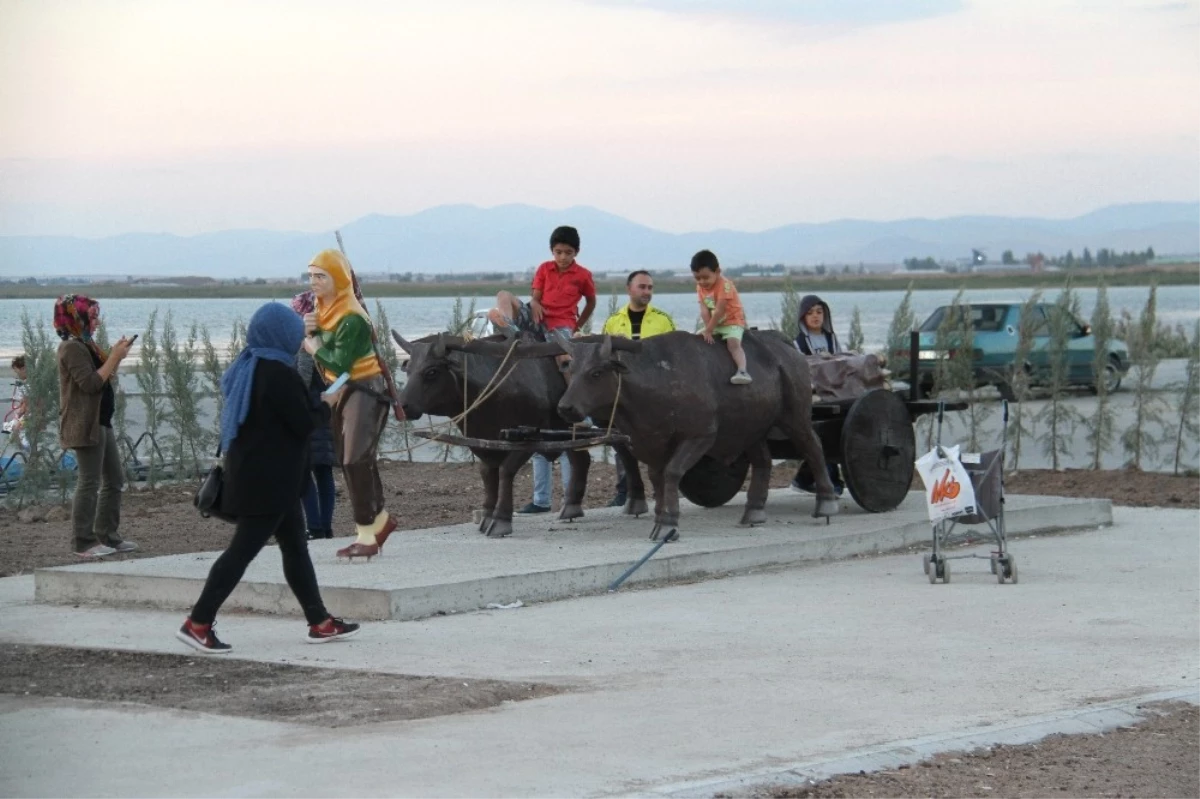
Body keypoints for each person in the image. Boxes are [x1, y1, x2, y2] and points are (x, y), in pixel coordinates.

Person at [177, 302, 359, 653]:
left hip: (269, 480)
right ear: (282, 334)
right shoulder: (277, 372)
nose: (297, 339)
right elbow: (303, 423)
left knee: (295, 548)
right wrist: (329, 402)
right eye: (294, 332)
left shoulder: (251, 366)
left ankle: (319, 621)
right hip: (269, 485)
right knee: (240, 553)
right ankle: (197, 623)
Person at [486, 225, 598, 515]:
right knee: (503, 295)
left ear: (576, 253)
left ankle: (577, 407)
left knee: (563, 358)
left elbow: (591, 301)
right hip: (540, 320)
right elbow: (535, 296)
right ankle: (509, 328)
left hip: (562, 325)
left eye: (568, 253)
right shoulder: (544, 269)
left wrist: (577, 324)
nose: (562, 257)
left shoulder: (583, 275)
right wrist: (534, 303)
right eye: (558, 252)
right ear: (552, 251)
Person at [303, 249, 395, 560]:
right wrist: (314, 330)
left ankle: (367, 532)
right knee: (351, 458)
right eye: (311, 275)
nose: (313, 282)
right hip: (343, 390)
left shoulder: (352, 317)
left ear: (338, 279)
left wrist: (314, 346)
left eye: (321, 276)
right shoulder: (325, 310)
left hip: (365, 389)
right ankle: (379, 521)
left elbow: (340, 364)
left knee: (355, 458)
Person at [54, 295, 138, 560]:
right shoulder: (71, 349)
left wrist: (116, 357)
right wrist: (113, 357)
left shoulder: (87, 345)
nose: (97, 321)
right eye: (92, 316)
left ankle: (107, 536)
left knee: (114, 480)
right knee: (89, 482)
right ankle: (83, 541)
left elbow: (104, 378)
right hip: (85, 424)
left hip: (102, 421)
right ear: (76, 319)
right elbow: (90, 384)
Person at [600, 270, 676, 506]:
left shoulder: (663, 320)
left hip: (655, 395)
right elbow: (603, 359)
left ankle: (664, 494)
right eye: (642, 287)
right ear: (629, 289)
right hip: (624, 395)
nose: (647, 292)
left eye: (650, 288)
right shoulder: (613, 321)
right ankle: (627, 492)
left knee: (661, 445)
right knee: (621, 441)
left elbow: (674, 358)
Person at [291, 292, 337, 540]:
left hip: (309, 417)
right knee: (324, 474)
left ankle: (316, 528)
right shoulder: (329, 343)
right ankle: (326, 527)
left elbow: (301, 380)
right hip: (325, 415)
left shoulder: (309, 345)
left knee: (307, 476)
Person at [791, 294, 845, 495]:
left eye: (819, 312)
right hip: (813, 393)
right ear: (803, 317)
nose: (815, 316)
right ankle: (831, 481)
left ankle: (804, 478)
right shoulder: (798, 343)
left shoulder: (831, 338)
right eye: (810, 313)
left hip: (835, 391)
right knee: (824, 434)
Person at [690, 249, 751, 384]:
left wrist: (710, 330)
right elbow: (704, 310)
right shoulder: (700, 287)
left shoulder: (725, 285)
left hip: (732, 320)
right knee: (696, 339)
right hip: (715, 323)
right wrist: (707, 330)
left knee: (733, 344)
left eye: (705, 277)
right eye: (697, 278)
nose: (702, 281)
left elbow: (719, 310)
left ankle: (742, 370)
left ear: (717, 271)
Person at [4, 355, 29, 449]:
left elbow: (28, 405)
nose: (16, 374)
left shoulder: (29, 385)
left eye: (16, 371)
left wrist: (20, 417)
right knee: (7, 431)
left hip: (28, 416)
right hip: (23, 415)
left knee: (17, 436)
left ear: (23, 369)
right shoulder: (25, 383)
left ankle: (25, 453)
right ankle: (15, 449)